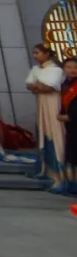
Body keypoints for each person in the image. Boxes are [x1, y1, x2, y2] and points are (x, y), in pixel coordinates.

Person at [26, 43, 68, 192]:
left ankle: (59, 172)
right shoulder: (36, 69)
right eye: (34, 53)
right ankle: (46, 169)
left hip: (53, 103)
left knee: (55, 133)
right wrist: (39, 86)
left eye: (38, 53)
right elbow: (29, 85)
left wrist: (38, 86)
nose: (35, 56)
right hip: (41, 103)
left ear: (47, 54)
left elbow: (50, 87)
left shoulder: (56, 70)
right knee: (43, 132)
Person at [58, 57, 77, 193]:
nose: (72, 70)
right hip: (71, 127)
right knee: (72, 156)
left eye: (75, 67)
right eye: (68, 67)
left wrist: (70, 116)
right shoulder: (66, 84)